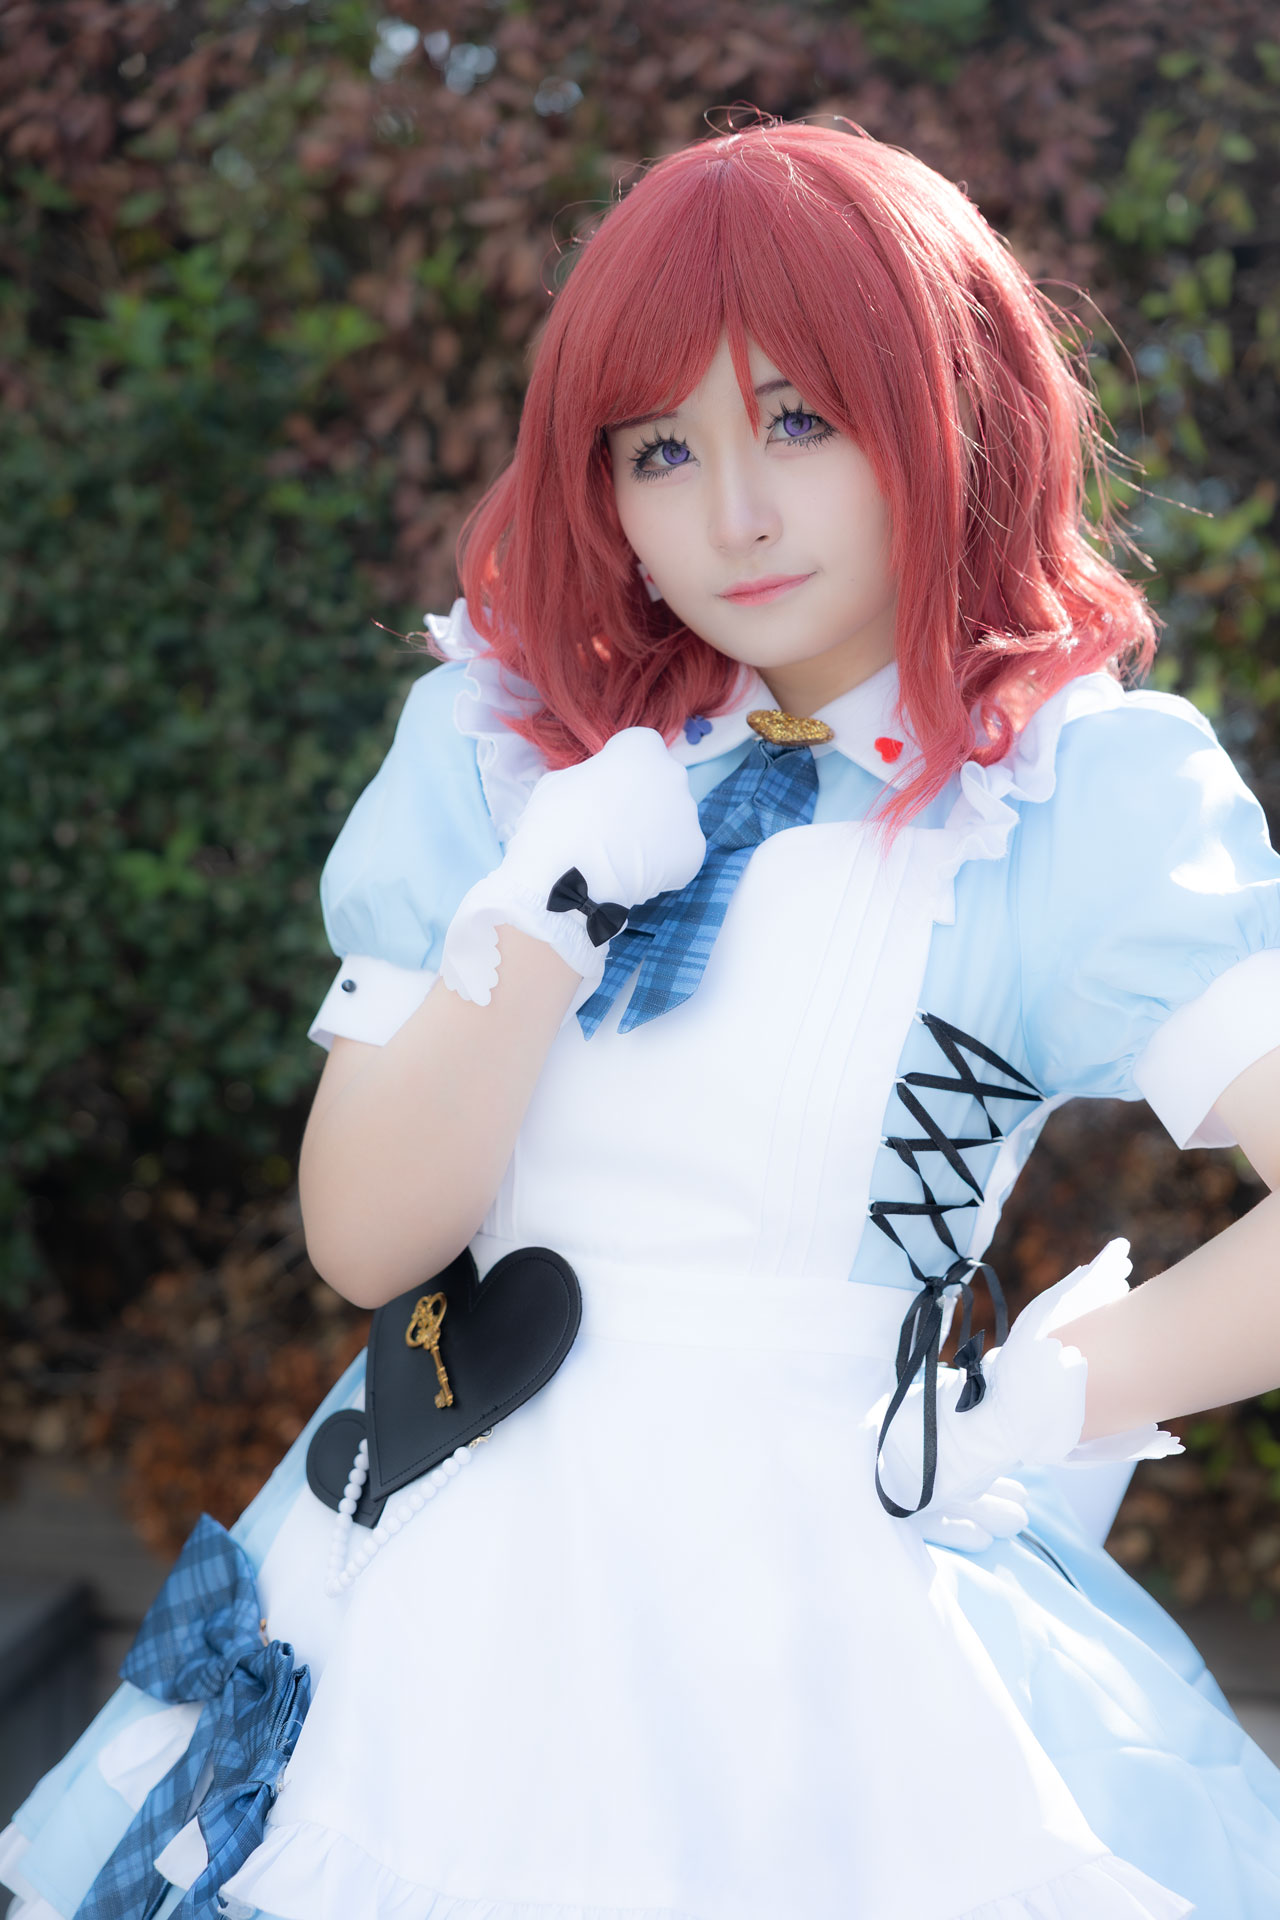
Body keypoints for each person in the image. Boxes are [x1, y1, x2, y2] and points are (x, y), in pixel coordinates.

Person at [5, 116, 1280, 1920]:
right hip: (429, 1603)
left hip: (825, 1633)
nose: (731, 514)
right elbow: (367, 1238)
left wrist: (1051, 1396)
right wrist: (541, 913)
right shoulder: (502, 751)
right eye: (661, 449)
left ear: (953, 409)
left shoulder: (1072, 800)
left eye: (800, 422)